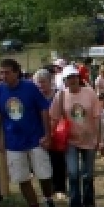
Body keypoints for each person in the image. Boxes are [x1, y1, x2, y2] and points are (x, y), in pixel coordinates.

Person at [0, 59, 57, 207]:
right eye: (1, 72)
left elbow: (43, 110)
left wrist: (47, 134)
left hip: (35, 138)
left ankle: (48, 199)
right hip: (13, 142)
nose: (3, 76)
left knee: (44, 175)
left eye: (7, 72)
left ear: (16, 72)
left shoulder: (30, 87)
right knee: (22, 178)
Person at [49, 66, 100, 207]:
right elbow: (54, 117)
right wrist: (52, 134)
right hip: (70, 140)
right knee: (73, 172)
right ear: (64, 81)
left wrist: (98, 137)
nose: (72, 80)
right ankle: (75, 204)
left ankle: (89, 202)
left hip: (89, 138)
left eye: (74, 77)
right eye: (68, 78)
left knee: (88, 173)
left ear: (79, 78)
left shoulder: (89, 92)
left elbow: (97, 116)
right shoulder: (61, 95)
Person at [34, 68, 68, 199]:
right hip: (41, 133)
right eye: (38, 82)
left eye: (43, 82)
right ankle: (49, 190)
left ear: (50, 82)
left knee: (58, 161)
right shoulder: (35, 97)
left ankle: (60, 188)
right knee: (44, 162)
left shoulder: (58, 95)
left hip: (57, 133)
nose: (40, 85)